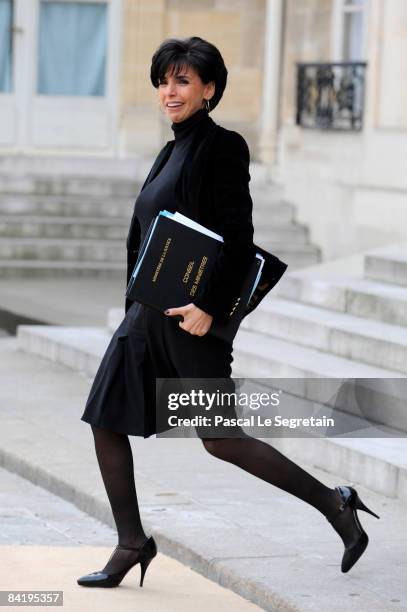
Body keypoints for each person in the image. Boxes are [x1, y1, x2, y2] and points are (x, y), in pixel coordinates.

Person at [77, 36, 379, 589]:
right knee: (104, 421)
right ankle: (131, 542)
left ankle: (335, 504)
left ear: (209, 89)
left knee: (221, 439)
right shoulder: (170, 150)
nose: (170, 90)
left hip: (191, 322)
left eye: (183, 81)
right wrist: (131, 310)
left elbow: (238, 239)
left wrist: (208, 310)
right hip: (144, 319)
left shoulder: (222, 147)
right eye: (165, 80)